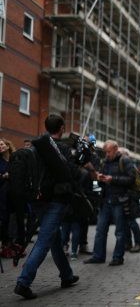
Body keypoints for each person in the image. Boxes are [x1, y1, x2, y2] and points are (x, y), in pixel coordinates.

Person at [14, 115, 80, 299]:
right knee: (44, 241)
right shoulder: (63, 148)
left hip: (36, 200)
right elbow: (71, 174)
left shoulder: (35, 146)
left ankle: (66, 276)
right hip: (55, 201)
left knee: (54, 239)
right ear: (61, 128)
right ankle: (23, 282)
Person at [84, 140, 135, 266]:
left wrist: (113, 179)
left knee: (119, 231)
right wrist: (99, 178)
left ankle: (118, 258)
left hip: (119, 200)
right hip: (105, 200)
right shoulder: (105, 162)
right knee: (100, 230)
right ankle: (98, 256)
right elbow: (99, 183)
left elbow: (131, 179)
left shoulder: (125, 161)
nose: (106, 154)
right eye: (105, 152)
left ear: (116, 149)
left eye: (109, 151)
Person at [0, 138, 15, 257]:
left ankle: (12, 245)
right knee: (4, 219)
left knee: (13, 219)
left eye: (2, 144)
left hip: (14, 193)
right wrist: (4, 176)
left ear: (8, 145)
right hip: (3, 194)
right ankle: (5, 245)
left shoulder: (14, 159)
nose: (0, 146)